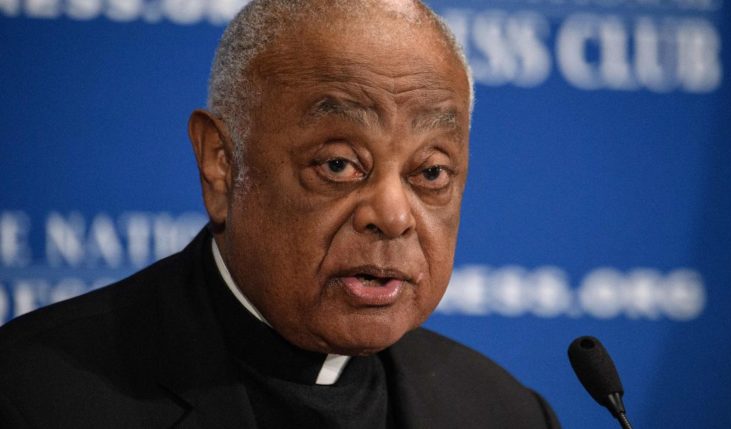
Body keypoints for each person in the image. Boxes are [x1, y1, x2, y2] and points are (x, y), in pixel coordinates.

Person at [0, 0, 561, 427]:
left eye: (431, 173)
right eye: (340, 164)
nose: (393, 215)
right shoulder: (35, 395)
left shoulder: (505, 413)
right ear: (222, 163)